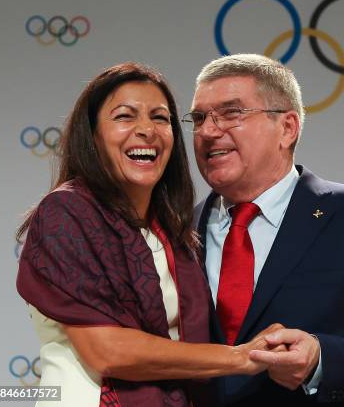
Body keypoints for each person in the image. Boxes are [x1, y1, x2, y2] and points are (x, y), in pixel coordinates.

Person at [16, 62, 281, 407]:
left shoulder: (175, 230)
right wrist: (241, 358)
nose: (147, 130)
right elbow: (107, 350)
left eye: (160, 118)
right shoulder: (66, 213)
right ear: (93, 135)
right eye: (125, 117)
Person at [187, 54, 344, 406]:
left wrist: (321, 357)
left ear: (287, 127)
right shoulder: (178, 231)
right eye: (199, 118)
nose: (209, 131)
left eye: (232, 113)